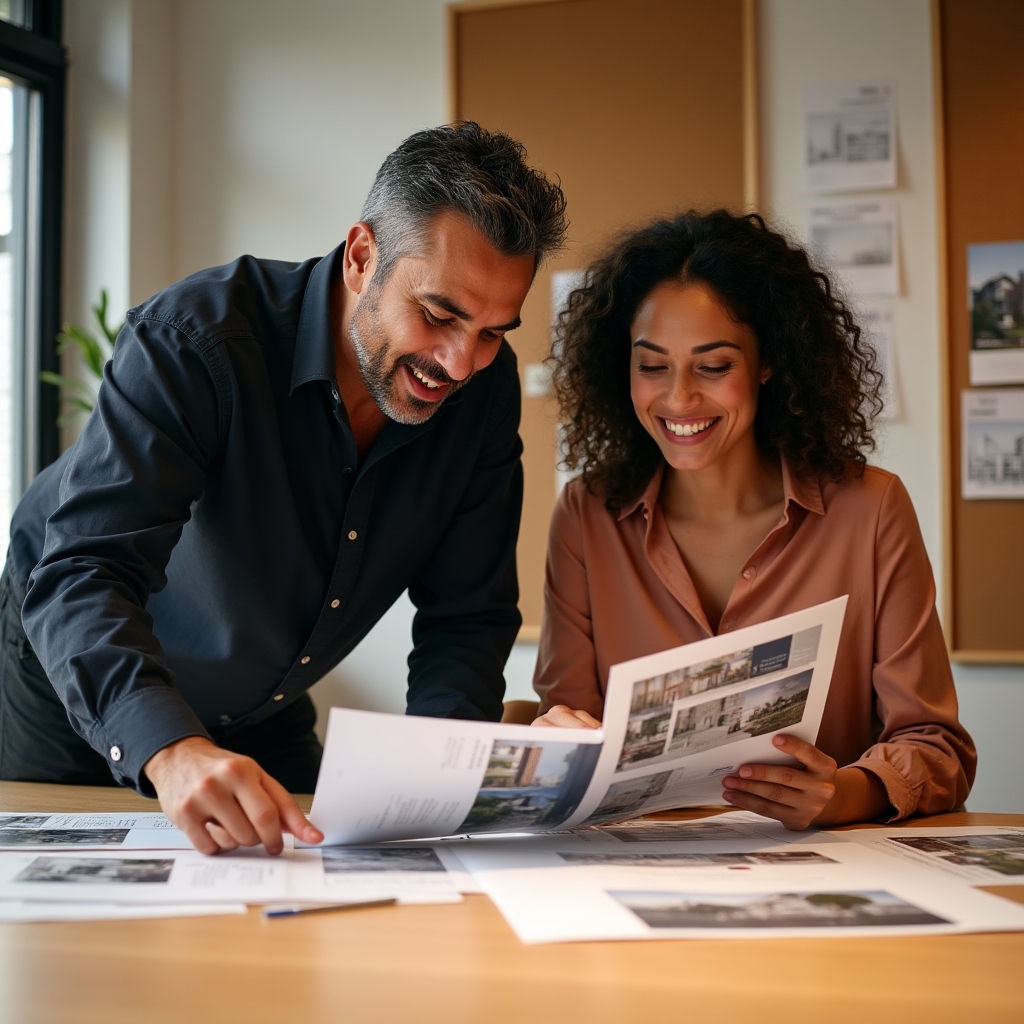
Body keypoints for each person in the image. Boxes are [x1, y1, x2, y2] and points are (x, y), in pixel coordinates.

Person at [0, 122, 567, 855]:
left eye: (492, 331)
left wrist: (437, 779)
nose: (460, 363)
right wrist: (169, 749)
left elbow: (466, 617)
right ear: (363, 256)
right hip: (82, 684)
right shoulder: (194, 342)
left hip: (263, 707)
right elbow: (84, 570)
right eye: (438, 315)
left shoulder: (483, 398)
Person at [532, 210, 976, 829]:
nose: (680, 398)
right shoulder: (587, 515)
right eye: (652, 366)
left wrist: (847, 793)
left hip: (819, 873)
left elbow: (936, 747)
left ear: (768, 361)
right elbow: (569, 724)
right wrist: (553, 734)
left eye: (714, 367)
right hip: (634, 870)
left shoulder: (871, 510)